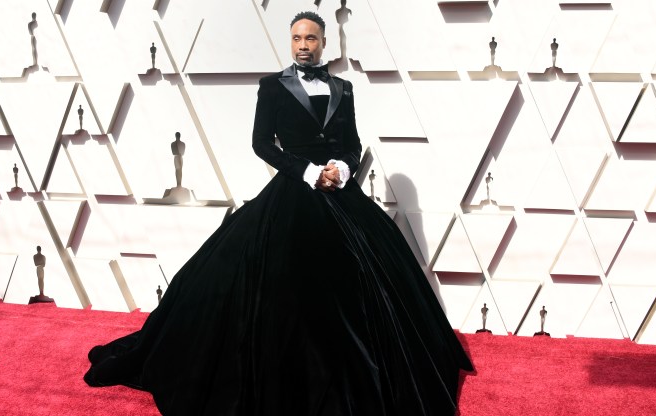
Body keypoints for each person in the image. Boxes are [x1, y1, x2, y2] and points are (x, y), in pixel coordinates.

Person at [84, 11, 472, 415]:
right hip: (293, 188)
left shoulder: (344, 88)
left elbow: (352, 143)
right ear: (291, 43)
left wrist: (341, 168)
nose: (303, 45)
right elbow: (261, 144)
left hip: (340, 191)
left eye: (311, 38)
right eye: (297, 39)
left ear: (325, 43)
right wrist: (306, 171)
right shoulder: (271, 86)